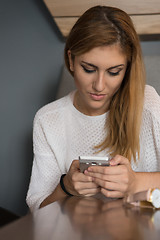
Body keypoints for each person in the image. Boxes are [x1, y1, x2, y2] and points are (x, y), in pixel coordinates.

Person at [26, 5, 160, 212]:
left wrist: (135, 182)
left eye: (114, 72)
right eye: (89, 69)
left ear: (127, 69)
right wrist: (66, 187)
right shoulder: (47, 120)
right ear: (71, 60)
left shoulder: (147, 104)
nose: (99, 85)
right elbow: (37, 209)